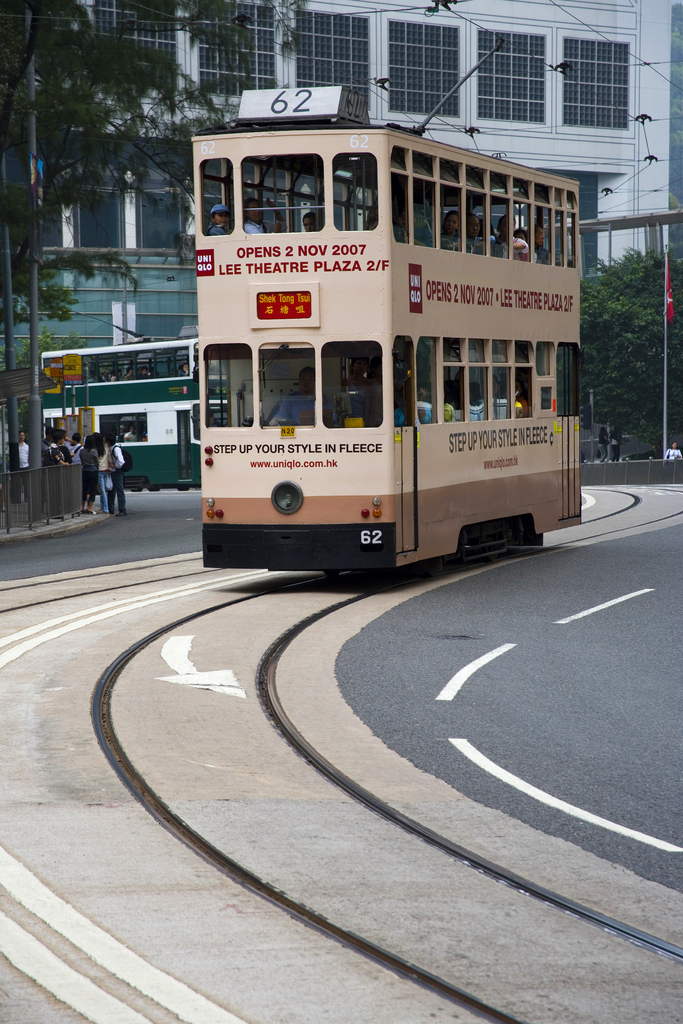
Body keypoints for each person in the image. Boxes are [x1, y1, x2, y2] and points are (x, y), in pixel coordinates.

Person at [105, 431, 127, 516]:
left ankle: (122, 509)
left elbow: (121, 462)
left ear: (108, 441)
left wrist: (114, 466)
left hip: (117, 472)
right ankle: (111, 508)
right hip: (113, 472)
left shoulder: (116, 449)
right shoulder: (111, 448)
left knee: (119, 491)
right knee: (111, 491)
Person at [94, 432, 114, 513]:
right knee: (104, 490)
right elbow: (109, 459)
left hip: (99, 470)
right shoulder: (106, 447)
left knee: (102, 490)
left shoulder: (94, 449)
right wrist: (110, 468)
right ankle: (105, 507)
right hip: (106, 470)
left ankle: (105, 508)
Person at [80, 435, 100, 513]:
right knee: (92, 489)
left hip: (84, 470)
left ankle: (83, 507)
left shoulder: (82, 451)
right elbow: (97, 462)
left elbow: (81, 460)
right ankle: (90, 507)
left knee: (84, 489)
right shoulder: (94, 451)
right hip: (93, 470)